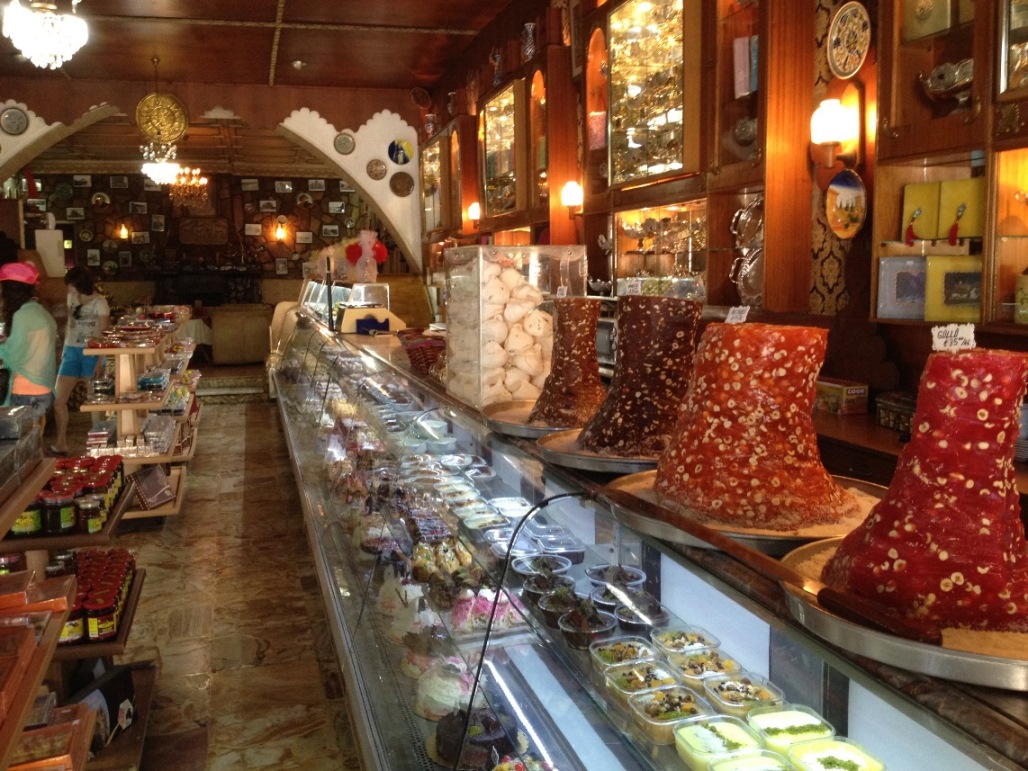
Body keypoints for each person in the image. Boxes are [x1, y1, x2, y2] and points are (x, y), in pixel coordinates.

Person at [51, 266, 109, 456]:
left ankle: (99, 444)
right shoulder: (71, 298)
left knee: (95, 401)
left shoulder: (100, 302)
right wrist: (64, 349)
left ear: (80, 284)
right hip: (71, 350)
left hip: (92, 351)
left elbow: (104, 334)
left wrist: (101, 360)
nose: (69, 288)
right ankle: (61, 443)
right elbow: (70, 324)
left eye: (71, 285)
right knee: (58, 400)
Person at [0, 262, 57, 427]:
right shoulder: (39, 311)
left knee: (20, 440)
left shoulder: (21, 315)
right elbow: (27, 344)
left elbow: (13, 353)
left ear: (10, 291)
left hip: (24, 391)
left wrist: (2, 345)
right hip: (44, 389)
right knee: (34, 437)